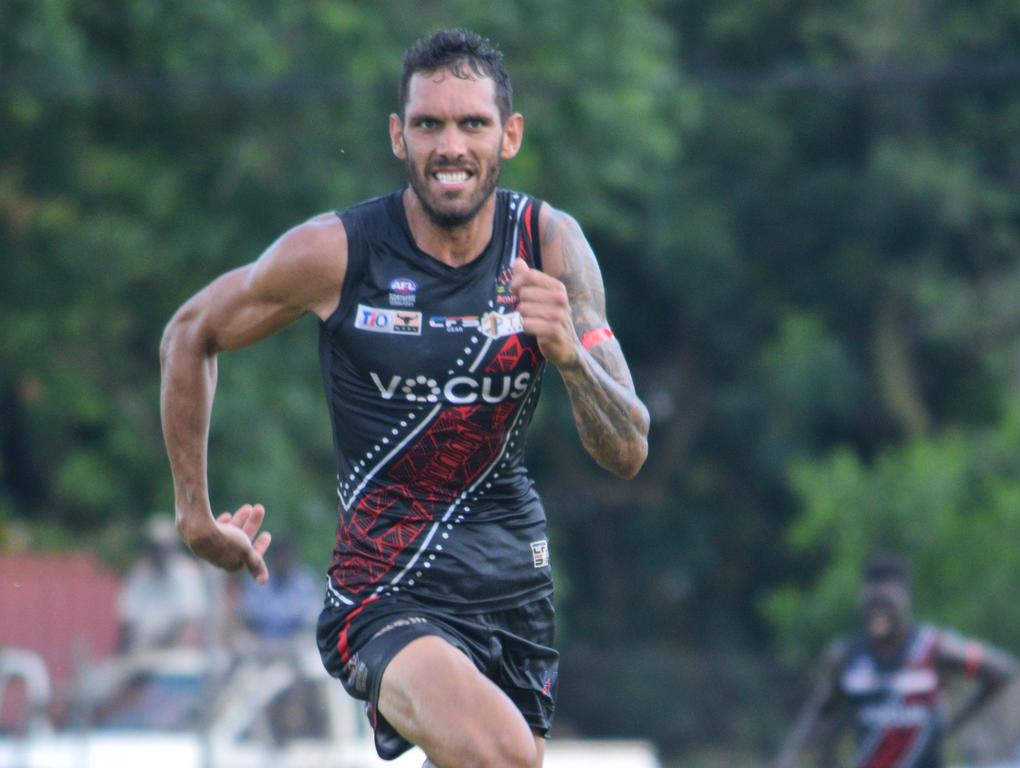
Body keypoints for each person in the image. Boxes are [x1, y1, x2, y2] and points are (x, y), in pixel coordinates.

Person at [159, 27, 649, 767]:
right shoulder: (340, 253)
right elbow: (190, 333)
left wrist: (569, 359)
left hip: (513, 581)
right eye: (429, 124)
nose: (451, 146)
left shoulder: (549, 244)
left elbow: (629, 450)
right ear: (399, 136)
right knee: (506, 758)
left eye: (472, 124)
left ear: (509, 135)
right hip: (383, 587)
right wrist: (195, 515)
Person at [773, 554, 1019, 768]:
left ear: (907, 598)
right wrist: (790, 758)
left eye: (887, 604)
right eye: (872, 605)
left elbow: (1001, 671)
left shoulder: (933, 648)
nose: (879, 613)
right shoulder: (847, 655)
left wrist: (956, 723)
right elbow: (823, 712)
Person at [117, 516, 208, 652]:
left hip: (178, 648)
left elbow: (190, 621)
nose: (159, 553)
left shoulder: (187, 573)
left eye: (164, 547)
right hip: (142, 647)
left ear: (173, 547)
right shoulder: (139, 574)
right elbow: (128, 620)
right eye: (155, 547)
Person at [237, 537, 320, 642]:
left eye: (285, 557)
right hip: (260, 641)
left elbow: (310, 620)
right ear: (272, 559)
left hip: (295, 643)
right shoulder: (257, 580)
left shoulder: (305, 583)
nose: (282, 561)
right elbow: (247, 617)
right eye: (279, 557)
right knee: (242, 640)